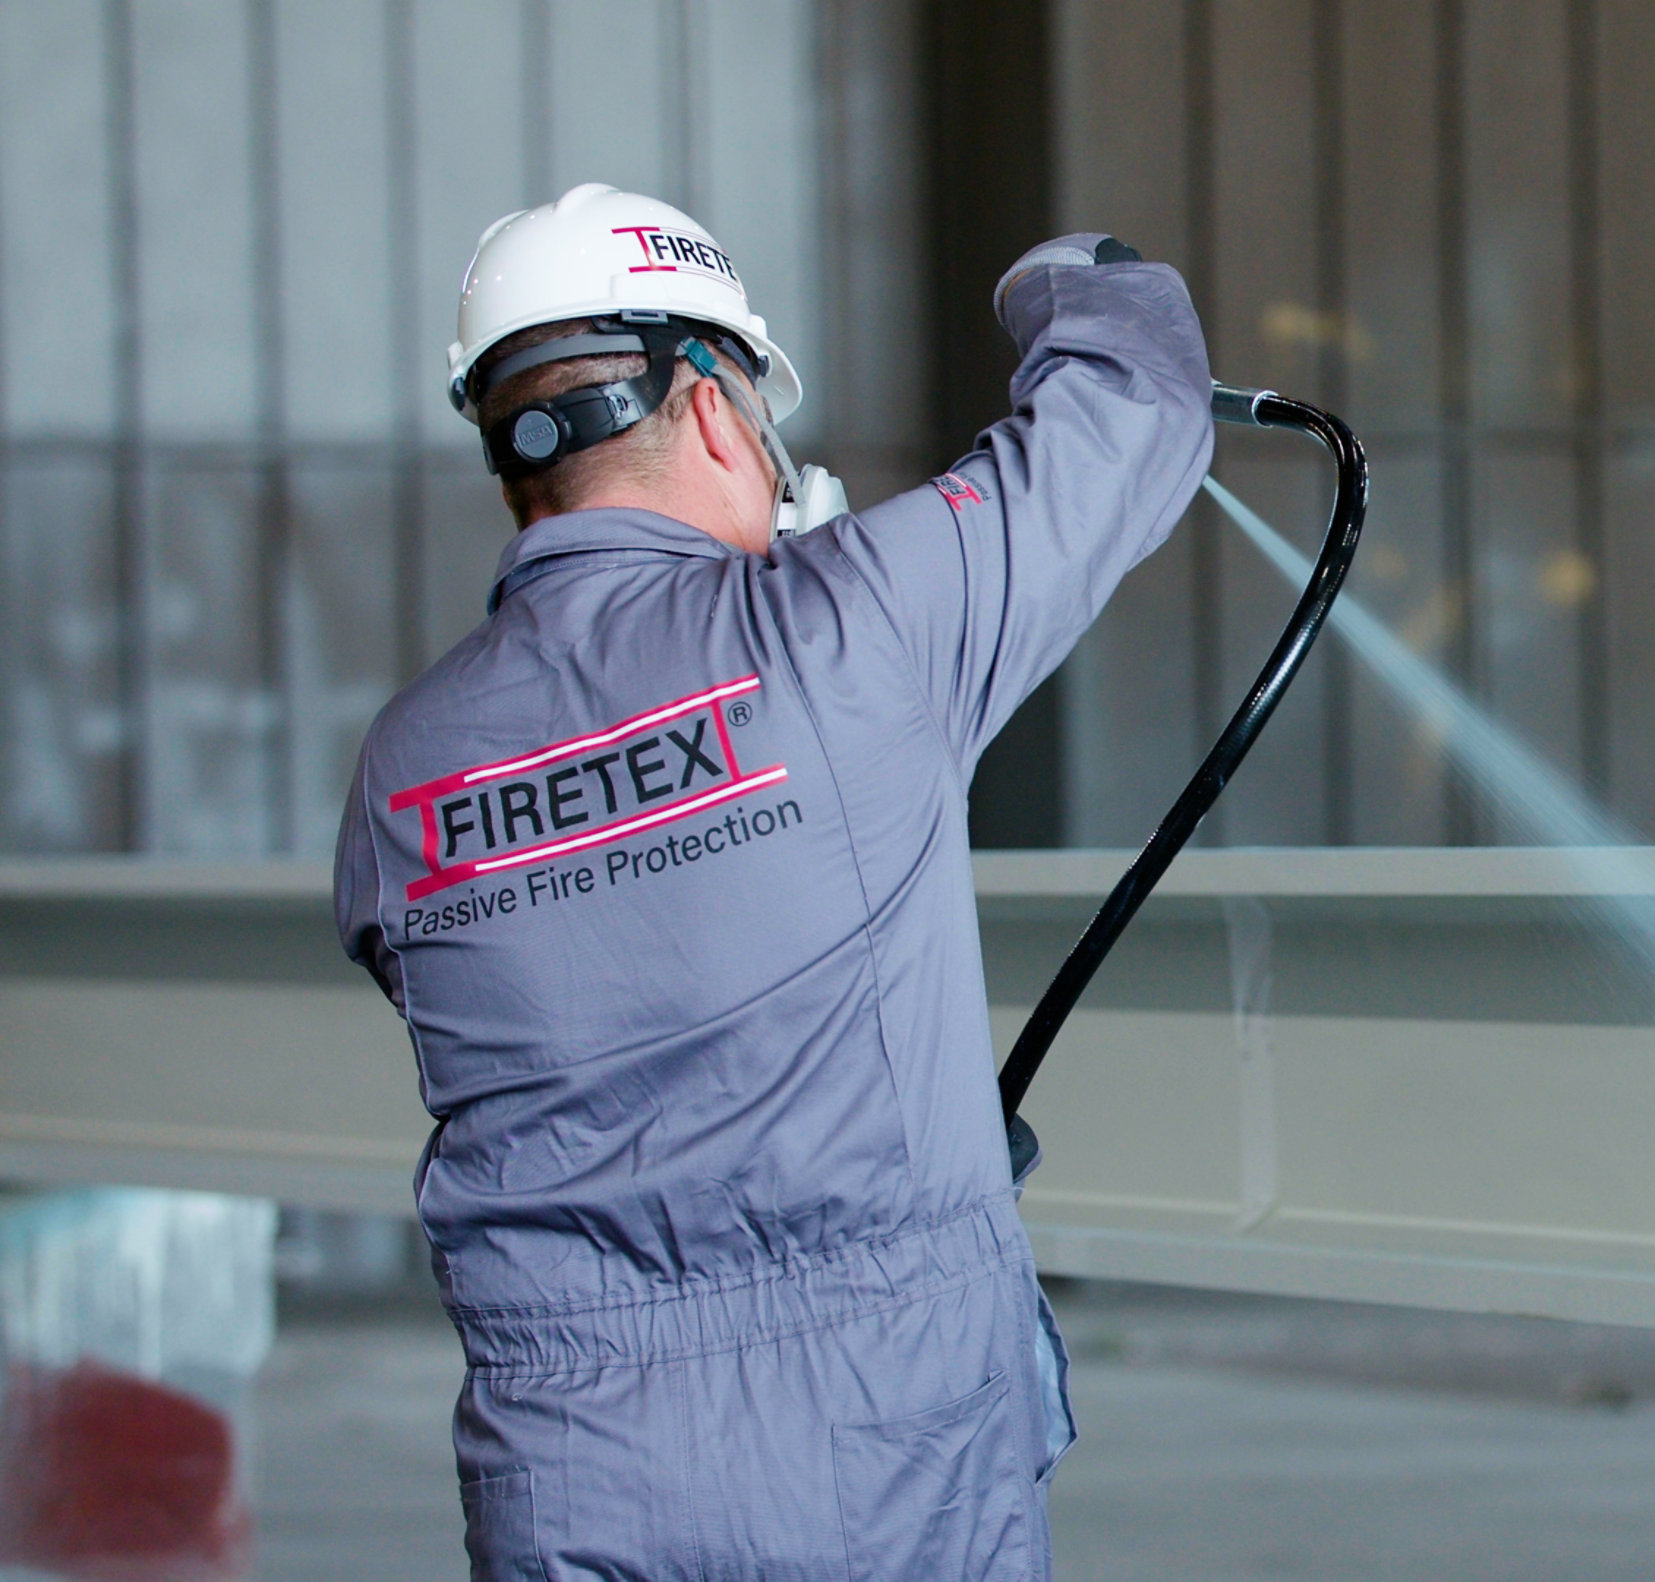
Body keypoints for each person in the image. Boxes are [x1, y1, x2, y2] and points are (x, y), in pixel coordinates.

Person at [334, 182, 1209, 1579]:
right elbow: (1135, 411)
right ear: (715, 412)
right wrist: (1073, 281)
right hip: (887, 1450)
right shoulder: (854, 626)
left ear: (511, 463)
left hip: (565, 1471)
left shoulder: (404, 769)